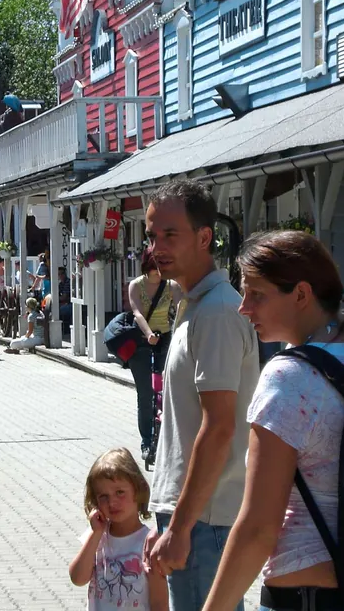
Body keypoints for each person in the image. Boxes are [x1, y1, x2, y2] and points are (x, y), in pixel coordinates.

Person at [202, 230, 344, 611]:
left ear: (302, 294)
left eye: (256, 294)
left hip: (309, 597)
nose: (244, 307)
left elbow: (259, 529)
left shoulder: (287, 377)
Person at [141, 181, 258, 611]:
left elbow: (220, 427)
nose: (157, 247)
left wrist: (181, 526)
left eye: (171, 234)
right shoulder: (196, 305)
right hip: (192, 515)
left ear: (205, 237)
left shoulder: (217, 313)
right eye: (153, 236)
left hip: (205, 520)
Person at [69, 448, 168, 611]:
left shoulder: (149, 543)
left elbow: (160, 602)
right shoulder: (97, 535)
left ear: (138, 490)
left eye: (120, 492)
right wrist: (96, 534)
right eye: (103, 496)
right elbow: (78, 578)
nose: (112, 502)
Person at [128, 248, 180, 461]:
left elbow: (180, 309)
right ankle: (146, 442)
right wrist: (149, 334)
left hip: (165, 339)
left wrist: (179, 335)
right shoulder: (136, 285)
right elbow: (137, 312)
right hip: (142, 341)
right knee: (145, 394)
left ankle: (167, 441)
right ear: (147, 267)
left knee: (166, 391)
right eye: (155, 269)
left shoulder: (171, 285)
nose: (159, 273)